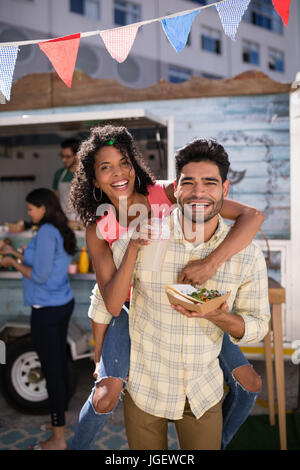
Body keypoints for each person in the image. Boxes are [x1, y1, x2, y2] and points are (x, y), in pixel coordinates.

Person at [70, 125, 265, 450]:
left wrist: (210, 263)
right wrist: (99, 348)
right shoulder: (99, 228)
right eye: (106, 167)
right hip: (131, 310)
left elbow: (252, 216)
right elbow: (110, 301)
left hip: (185, 301)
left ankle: (217, 441)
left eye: (124, 162)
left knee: (250, 383)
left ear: (134, 163)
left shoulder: (166, 192)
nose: (118, 173)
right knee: (105, 397)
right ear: (94, 179)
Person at [0, 188, 77, 450]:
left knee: (52, 369)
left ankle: (58, 439)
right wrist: (17, 255)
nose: (29, 212)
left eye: (32, 208)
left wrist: (11, 261)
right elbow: (45, 265)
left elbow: (40, 276)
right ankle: (61, 423)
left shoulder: (45, 232)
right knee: (58, 364)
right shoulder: (58, 228)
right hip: (61, 303)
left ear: (44, 207)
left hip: (47, 309)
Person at [53, 138, 80, 221]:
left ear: (78, 155)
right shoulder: (59, 174)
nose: (63, 160)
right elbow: (56, 199)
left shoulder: (87, 174)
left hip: (84, 220)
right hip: (65, 220)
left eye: (68, 157)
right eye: (62, 156)